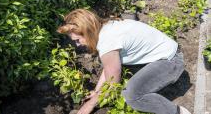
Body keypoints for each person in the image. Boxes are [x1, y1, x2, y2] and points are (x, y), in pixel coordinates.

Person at [57, 9, 191, 114]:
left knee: (132, 95)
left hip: (171, 62)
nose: (77, 45)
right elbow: (109, 67)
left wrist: (89, 105)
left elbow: (112, 83)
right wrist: (97, 91)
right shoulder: (105, 27)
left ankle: (175, 112)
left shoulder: (107, 42)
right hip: (167, 54)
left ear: (88, 31)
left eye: (77, 40)